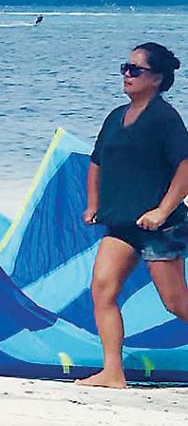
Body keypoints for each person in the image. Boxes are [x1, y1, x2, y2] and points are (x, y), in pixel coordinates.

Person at [79, 42, 188, 388]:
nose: (127, 74)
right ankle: (112, 372)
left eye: (135, 69)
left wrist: (162, 210)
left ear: (156, 78)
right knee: (102, 289)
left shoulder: (164, 117)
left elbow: (185, 167)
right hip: (121, 223)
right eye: (125, 68)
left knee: (175, 302)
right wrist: (93, 204)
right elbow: (96, 162)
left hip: (161, 226)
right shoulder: (115, 116)